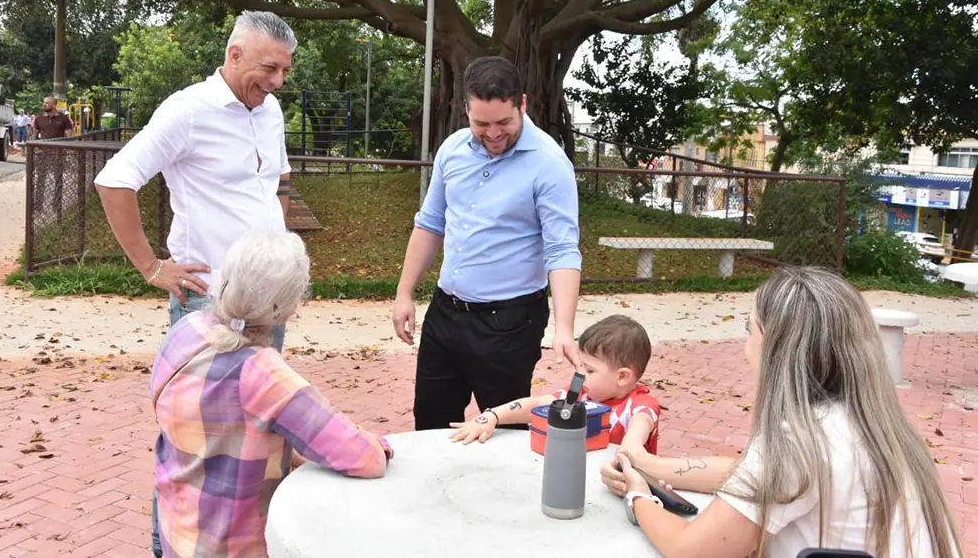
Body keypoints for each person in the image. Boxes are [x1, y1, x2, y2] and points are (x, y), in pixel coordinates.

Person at [94, 10, 297, 557]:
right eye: (268, 67)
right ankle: (170, 548)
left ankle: (240, 543)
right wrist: (152, 268)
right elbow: (115, 180)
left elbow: (273, 183)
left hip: (267, 303)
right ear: (234, 56)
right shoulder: (188, 111)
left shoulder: (269, 109)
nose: (278, 80)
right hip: (208, 304)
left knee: (256, 431)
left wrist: (279, 251)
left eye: (284, 69)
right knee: (193, 440)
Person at [600, 267, 963, 558]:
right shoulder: (870, 425)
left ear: (776, 346)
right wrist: (644, 462)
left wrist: (639, 496)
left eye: (749, 327)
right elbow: (747, 473)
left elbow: (690, 549)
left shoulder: (799, 440)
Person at [152, 230, 393, 558]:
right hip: (234, 546)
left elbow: (214, 430)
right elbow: (365, 458)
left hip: (178, 531)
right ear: (289, 308)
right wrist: (382, 445)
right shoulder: (263, 373)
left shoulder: (186, 329)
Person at [392, 55, 583, 432]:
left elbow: (562, 249)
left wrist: (564, 327)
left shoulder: (549, 164)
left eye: (504, 123)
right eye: (481, 124)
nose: (493, 134)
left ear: (522, 104)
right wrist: (404, 292)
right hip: (446, 313)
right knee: (430, 424)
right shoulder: (451, 150)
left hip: (509, 323)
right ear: (466, 110)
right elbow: (430, 223)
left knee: (504, 433)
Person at [450, 314, 660, 454]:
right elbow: (539, 404)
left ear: (622, 376)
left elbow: (636, 435)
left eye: (590, 370)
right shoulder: (579, 395)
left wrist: (631, 447)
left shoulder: (641, 406)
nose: (580, 374)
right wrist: (492, 416)